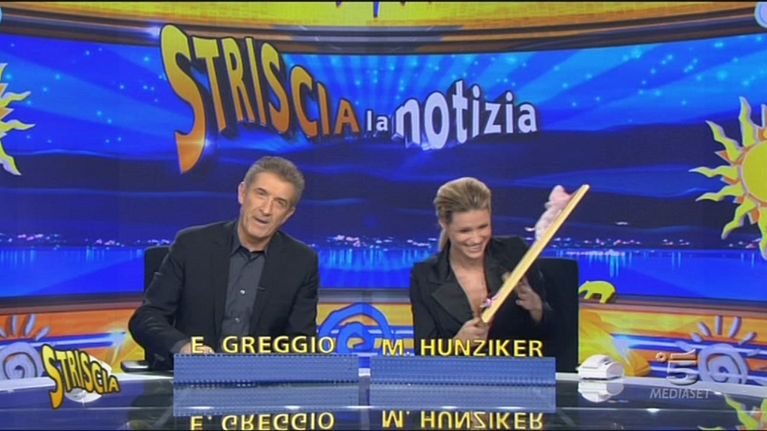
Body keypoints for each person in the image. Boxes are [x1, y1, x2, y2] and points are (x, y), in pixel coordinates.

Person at [129, 156, 319, 369]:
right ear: (242, 193)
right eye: (261, 194)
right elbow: (147, 318)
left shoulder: (301, 262)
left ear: (288, 214)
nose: (266, 210)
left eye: (280, 203)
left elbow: (302, 343)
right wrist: (183, 348)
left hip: (260, 382)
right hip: (192, 378)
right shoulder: (192, 245)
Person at [409, 177, 553, 354]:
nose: (476, 239)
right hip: (459, 370)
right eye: (465, 231)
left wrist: (537, 308)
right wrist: (456, 344)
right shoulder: (425, 275)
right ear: (444, 224)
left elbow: (552, 335)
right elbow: (423, 353)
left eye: (483, 227)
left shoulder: (514, 252)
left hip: (517, 368)